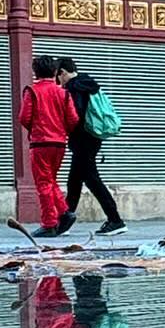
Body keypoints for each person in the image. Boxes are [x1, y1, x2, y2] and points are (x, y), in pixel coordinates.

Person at [56, 56, 126, 234]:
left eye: (58, 77)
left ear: (63, 72)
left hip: (83, 139)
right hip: (93, 137)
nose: (58, 81)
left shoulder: (74, 87)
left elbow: (76, 115)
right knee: (75, 179)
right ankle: (65, 220)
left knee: (92, 180)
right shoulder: (89, 83)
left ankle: (115, 220)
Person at [17, 55, 78, 235]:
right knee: (51, 179)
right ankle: (64, 212)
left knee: (43, 182)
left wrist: (37, 128)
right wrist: (60, 129)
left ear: (35, 72)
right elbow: (73, 119)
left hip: (40, 142)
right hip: (59, 143)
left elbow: (24, 117)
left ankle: (50, 222)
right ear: (54, 71)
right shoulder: (63, 92)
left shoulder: (32, 91)